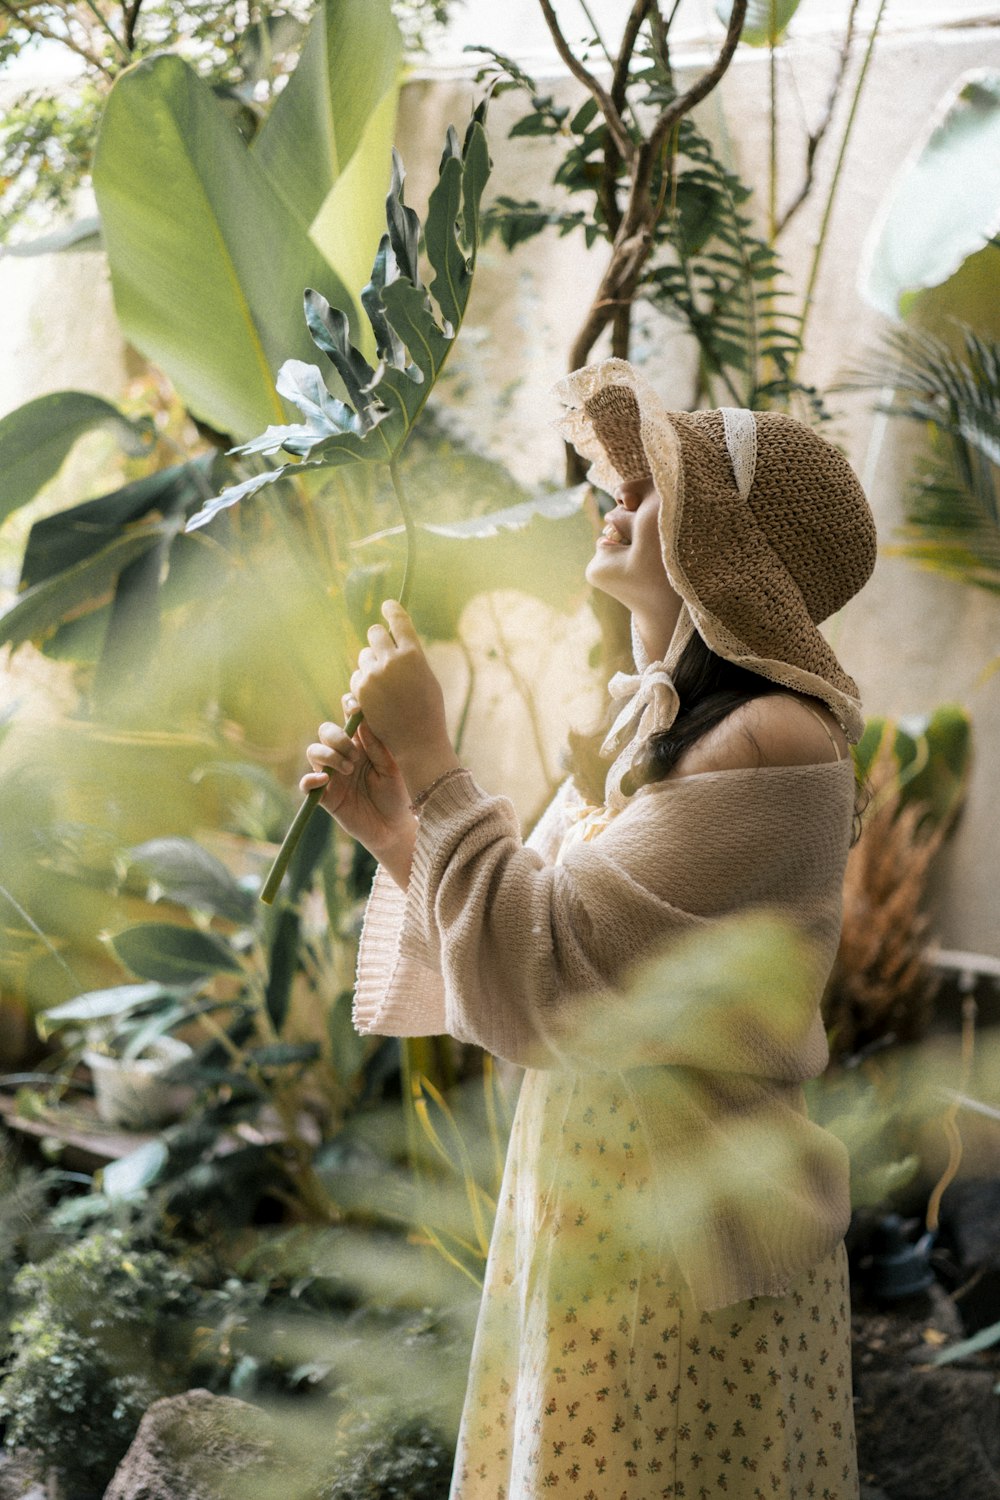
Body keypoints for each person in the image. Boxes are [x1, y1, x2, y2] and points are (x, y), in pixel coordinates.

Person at [302, 358, 877, 1500]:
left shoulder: (774, 739)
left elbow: (553, 970)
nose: (614, 498)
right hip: (600, 1195)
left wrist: (431, 751)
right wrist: (398, 831)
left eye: (654, 486)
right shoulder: (662, 723)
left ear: (727, 548)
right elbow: (554, 946)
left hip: (675, 1235)